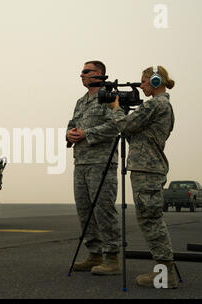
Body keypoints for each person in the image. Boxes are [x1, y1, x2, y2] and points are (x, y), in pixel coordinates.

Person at [108, 65, 177, 288]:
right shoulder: (164, 106)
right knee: (151, 219)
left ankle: (165, 275)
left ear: (156, 82)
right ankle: (164, 271)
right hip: (147, 168)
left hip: (147, 170)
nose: (142, 86)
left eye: (145, 82)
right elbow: (134, 130)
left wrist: (116, 107)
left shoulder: (156, 104)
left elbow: (124, 124)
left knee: (151, 220)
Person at [66, 61, 121, 275]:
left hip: (102, 162)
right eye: (82, 71)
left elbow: (117, 125)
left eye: (86, 72)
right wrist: (69, 134)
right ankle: (94, 254)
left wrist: (87, 134)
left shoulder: (110, 97)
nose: (81, 75)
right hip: (81, 162)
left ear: (99, 74)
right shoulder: (81, 101)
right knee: (85, 210)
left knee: (103, 209)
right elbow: (72, 124)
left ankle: (112, 258)